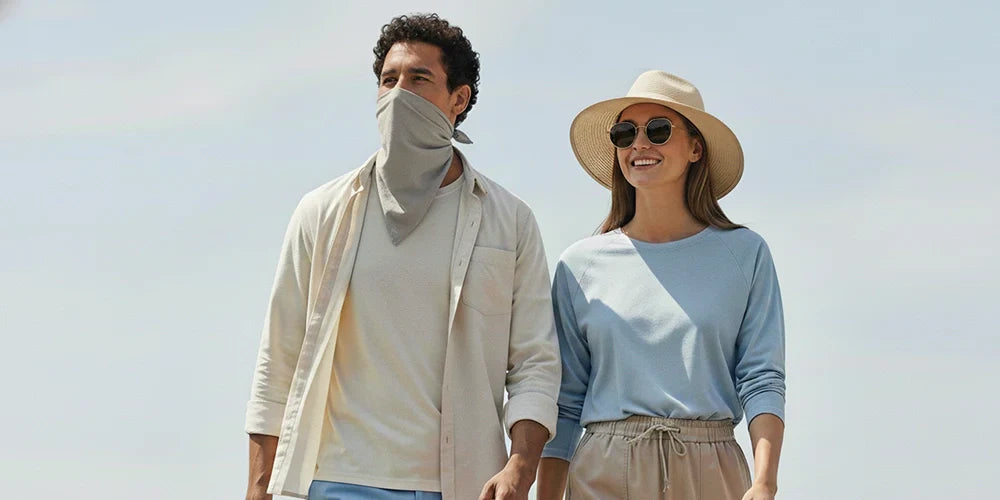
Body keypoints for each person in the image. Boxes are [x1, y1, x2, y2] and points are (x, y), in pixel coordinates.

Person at [244, 13, 560, 500]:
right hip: (333, 481)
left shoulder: (509, 221)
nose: (397, 94)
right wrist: (258, 487)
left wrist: (521, 468)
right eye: (388, 80)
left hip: (462, 484)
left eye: (418, 79)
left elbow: (535, 361)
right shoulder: (322, 212)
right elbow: (278, 359)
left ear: (459, 98)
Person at [535, 71, 786, 500]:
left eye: (658, 130)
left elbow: (761, 378)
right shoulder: (580, 265)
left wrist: (765, 482)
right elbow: (566, 399)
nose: (640, 144)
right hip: (603, 469)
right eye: (625, 133)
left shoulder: (745, 254)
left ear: (695, 148)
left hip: (712, 469)